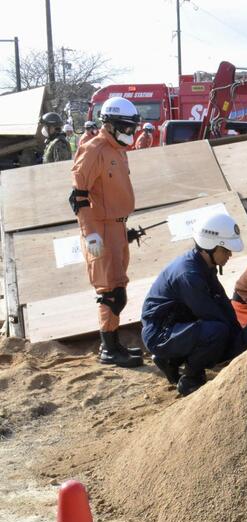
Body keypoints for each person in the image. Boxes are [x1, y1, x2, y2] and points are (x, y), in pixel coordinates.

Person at [70, 97, 142, 368]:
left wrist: (123, 229)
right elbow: (78, 196)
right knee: (109, 292)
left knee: (119, 287)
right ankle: (109, 349)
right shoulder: (95, 149)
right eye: (126, 127)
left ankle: (114, 344)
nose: (130, 133)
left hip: (116, 226)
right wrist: (91, 233)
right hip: (99, 228)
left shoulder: (118, 149)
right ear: (110, 125)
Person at [142, 212, 247, 395]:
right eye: (225, 250)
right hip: (160, 333)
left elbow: (222, 302)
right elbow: (211, 314)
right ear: (210, 247)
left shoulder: (203, 265)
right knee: (217, 332)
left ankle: (171, 361)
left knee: (227, 331)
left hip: (175, 324)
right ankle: (191, 378)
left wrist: (240, 337)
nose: (230, 254)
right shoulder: (189, 275)